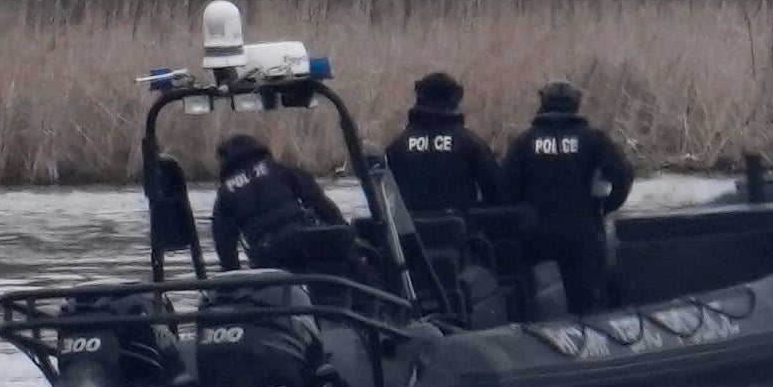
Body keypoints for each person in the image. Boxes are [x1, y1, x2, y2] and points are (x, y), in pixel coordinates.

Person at [501, 78, 633, 314]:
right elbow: (622, 175)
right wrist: (604, 206)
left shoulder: (524, 142)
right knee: (586, 298)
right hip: (581, 230)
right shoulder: (593, 139)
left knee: (527, 293)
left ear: (543, 103)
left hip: (535, 232)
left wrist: (521, 216)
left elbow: (506, 187)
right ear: (576, 104)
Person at [210, 130, 359, 274]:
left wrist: (232, 280)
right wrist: (347, 234)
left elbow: (225, 245)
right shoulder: (279, 169)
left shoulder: (224, 195)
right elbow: (320, 204)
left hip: (266, 254)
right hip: (304, 239)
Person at [384, 73, 501, 216]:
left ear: (419, 97)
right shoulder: (471, 144)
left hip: (410, 231)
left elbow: (384, 197)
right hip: (461, 231)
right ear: (456, 98)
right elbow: (497, 193)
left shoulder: (397, 146)